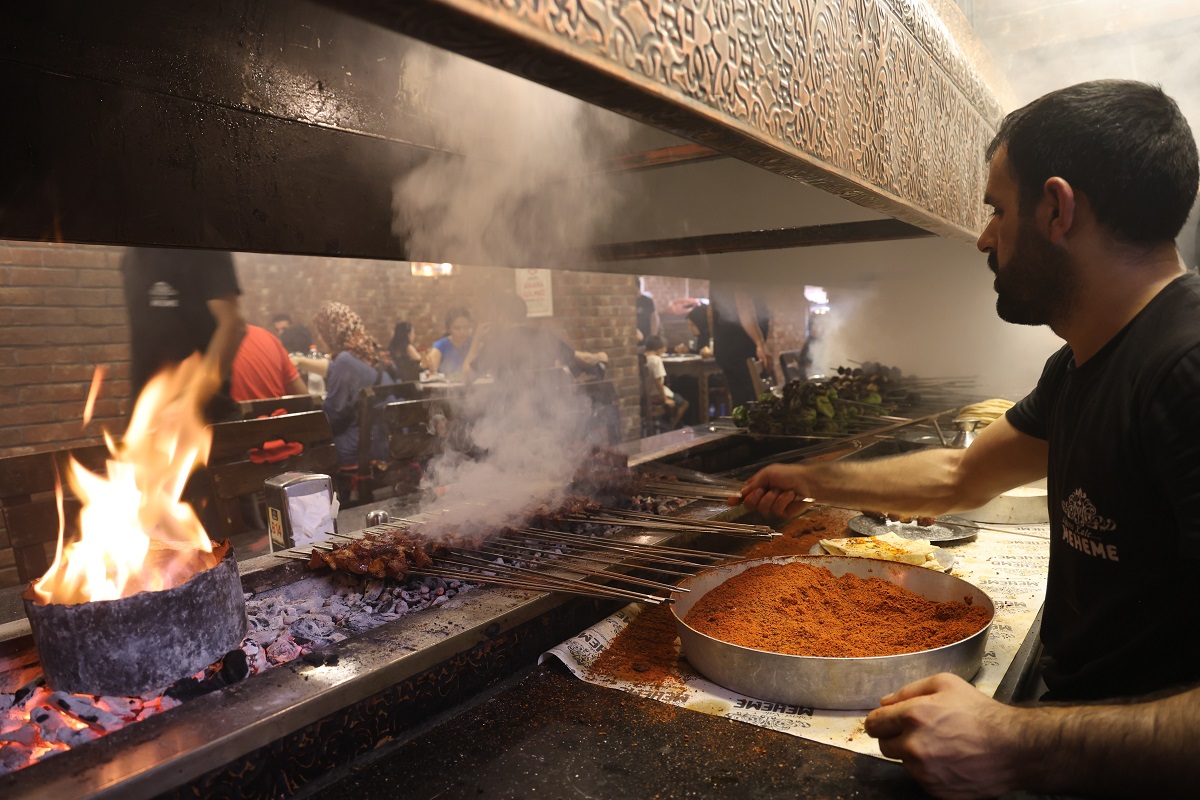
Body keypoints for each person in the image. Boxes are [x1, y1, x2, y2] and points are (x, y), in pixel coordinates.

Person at [737, 80, 1200, 799]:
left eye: (996, 209)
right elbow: (960, 477)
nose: (985, 236)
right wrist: (813, 478)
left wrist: (1013, 741)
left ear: (1056, 208)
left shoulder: (1186, 372)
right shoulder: (1085, 362)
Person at [120, 247, 246, 422]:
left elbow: (233, 325)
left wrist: (190, 402)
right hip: (146, 420)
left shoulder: (202, 246)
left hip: (202, 420)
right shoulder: (131, 255)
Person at [294, 302, 401, 466]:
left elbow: (332, 416)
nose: (320, 339)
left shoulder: (345, 360)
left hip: (366, 445)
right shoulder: (377, 352)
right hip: (394, 439)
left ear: (332, 332)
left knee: (312, 449)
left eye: (321, 333)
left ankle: (328, 491)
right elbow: (344, 371)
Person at [463, 294, 607, 383]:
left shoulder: (496, 345)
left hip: (508, 418)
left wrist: (476, 341)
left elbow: (467, 377)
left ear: (501, 315)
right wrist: (599, 357)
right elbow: (583, 359)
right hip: (544, 414)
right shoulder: (545, 337)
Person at [708, 283, 771, 407]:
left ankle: (742, 423)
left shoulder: (717, 273)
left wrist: (714, 339)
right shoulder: (737, 269)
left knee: (739, 397)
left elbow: (710, 312)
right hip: (741, 348)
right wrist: (760, 343)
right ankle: (750, 425)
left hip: (725, 346)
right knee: (752, 399)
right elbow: (743, 306)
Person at [229, 324, 307, 402]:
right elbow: (305, 400)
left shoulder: (220, 345)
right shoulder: (264, 336)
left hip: (239, 413)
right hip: (282, 412)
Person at [643, 335, 688, 428]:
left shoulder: (643, 358)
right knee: (684, 404)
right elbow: (658, 382)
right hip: (656, 393)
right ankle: (672, 426)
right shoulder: (656, 360)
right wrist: (665, 399)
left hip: (646, 392)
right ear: (659, 348)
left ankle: (666, 423)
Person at [424, 307, 474, 378]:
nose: (462, 332)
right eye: (457, 328)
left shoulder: (474, 343)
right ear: (449, 329)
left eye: (465, 328)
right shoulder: (441, 345)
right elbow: (431, 373)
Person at [636, 277, 660, 344]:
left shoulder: (648, 301)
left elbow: (654, 319)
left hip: (646, 337)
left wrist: (653, 336)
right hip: (634, 338)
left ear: (636, 286)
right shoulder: (629, 301)